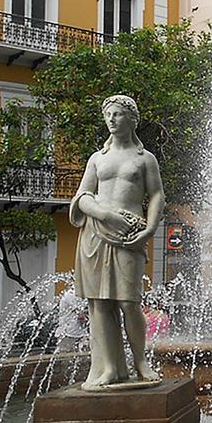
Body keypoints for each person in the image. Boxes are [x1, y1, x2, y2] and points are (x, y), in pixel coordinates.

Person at [70, 95, 165, 390]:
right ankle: (110, 367)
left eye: (118, 114)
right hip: (96, 234)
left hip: (130, 236)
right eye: (108, 114)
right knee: (99, 303)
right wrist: (105, 214)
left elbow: (157, 195)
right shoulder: (97, 159)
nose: (112, 119)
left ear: (132, 120)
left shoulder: (144, 159)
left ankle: (140, 362)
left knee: (128, 301)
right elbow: (82, 196)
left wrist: (150, 229)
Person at [55, 287, 87, 353]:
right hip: (68, 334)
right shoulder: (71, 295)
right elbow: (82, 317)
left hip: (77, 333)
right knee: (67, 358)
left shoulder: (78, 294)